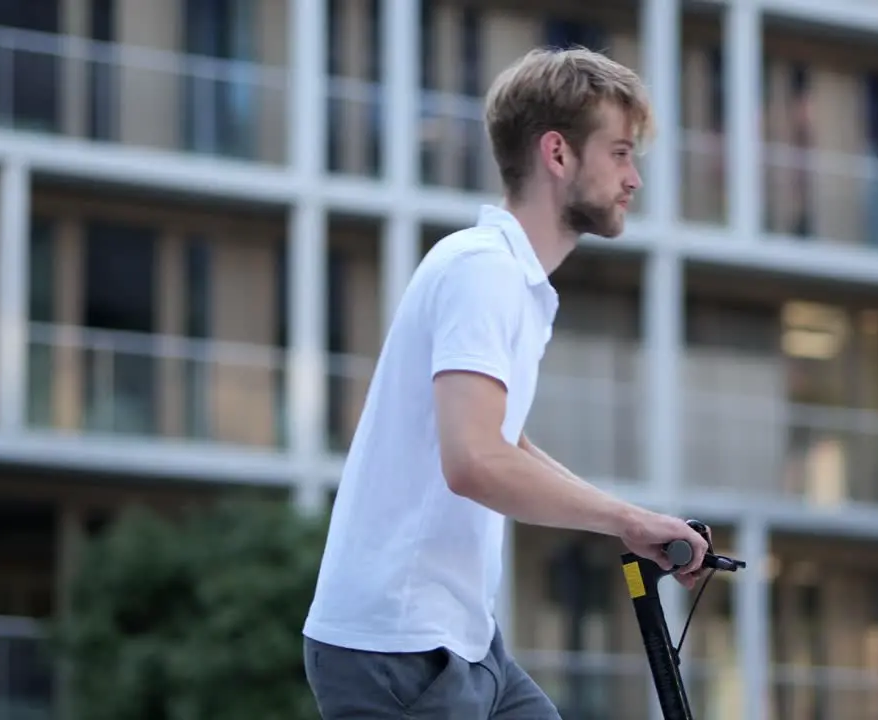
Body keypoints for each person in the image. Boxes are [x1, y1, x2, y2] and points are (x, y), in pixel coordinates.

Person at [302, 46, 710, 719]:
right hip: (398, 650)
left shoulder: (515, 283)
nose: (634, 178)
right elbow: (473, 463)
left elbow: (502, 441)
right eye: (619, 152)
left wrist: (630, 523)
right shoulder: (482, 271)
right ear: (558, 154)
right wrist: (624, 518)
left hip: (463, 640)